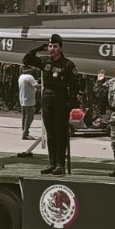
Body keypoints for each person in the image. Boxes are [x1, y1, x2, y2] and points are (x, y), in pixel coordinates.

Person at [23, 33, 79, 175]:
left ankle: (60, 164)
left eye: (55, 46)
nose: (52, 49)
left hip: (61, 99)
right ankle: (51, 163)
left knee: (60, 133)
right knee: (50, 134)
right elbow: (26, 60)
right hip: (47, 98)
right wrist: (36, 49)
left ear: (60, 48)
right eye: (50, 46)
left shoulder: (68, 64)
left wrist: (71, 102)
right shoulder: (45, 61)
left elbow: (74, 85)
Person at [18, 65, 39, 140]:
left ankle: (24, 131)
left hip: (22, 98)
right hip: (29, 99)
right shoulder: (30, 77)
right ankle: (25, 133)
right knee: (30, 116)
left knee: (24, 116)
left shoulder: (21, 77)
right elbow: (37, 87)